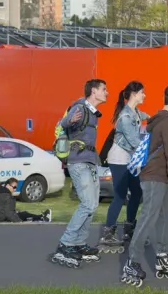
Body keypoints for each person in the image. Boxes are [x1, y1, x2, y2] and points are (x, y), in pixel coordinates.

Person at [122, 84, 168, 286]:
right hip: (155, 176)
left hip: (162, 176)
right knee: (148, 218)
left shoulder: (158, 119)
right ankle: (132, 262)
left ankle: (164, 255)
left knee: (166, 216)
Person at [50, 79, 107, 268]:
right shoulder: (80, 107)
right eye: (104, 89)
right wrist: (69, 120)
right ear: (94, 91)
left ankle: (79, 243)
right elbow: (64, 122)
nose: (106, 92)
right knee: (87, 204)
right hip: (78, 162)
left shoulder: (92, 112)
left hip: (90, 162)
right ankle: (66, 243)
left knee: (93, 205)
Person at [99, 81, 149, 254]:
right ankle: (108, 233)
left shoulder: (135, 112)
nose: (144, 95)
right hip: (119, 159)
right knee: (120, 196)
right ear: (134, 94)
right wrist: (151, 151)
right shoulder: (125, 117)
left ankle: (129, 228)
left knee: (136, 192)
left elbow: (147, 116)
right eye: (142, 92)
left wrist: (162, 118)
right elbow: (134, 142)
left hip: (130, 159)